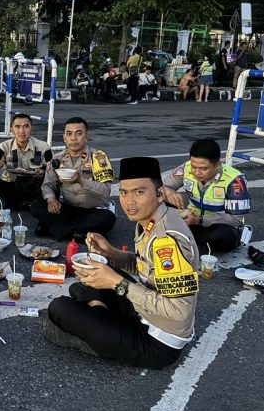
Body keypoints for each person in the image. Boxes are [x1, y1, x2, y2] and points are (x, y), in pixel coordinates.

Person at [43, 156, 199, 368]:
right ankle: (102, 321)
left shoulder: (166, 241)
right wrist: (112, 254)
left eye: (140, 192)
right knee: (83, 288)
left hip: (157, 342)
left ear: (160, 194)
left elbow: (180, 311)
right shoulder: (153, 219)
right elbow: (147, 267)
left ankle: (93, 337)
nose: (129, 201)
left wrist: (118, 283)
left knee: (59, 308)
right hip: (144, 311)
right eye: (124, 192)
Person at [30, 117, 116, 240]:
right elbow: (48, 185)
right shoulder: (57, 159)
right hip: (68, 209)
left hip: (92, 211)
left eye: (79, 133)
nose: (73, 138)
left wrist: (81, 181)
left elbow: (106, 191)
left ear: (86, 137)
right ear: (64, 137)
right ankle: (78, 234)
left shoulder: (98, 158)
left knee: (108, 218)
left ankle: (58, 229)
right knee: (37, 205)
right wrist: (51, 200)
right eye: (69, 134)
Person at [162, 138, 251, 252]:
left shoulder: (234, 180)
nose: (196, 172)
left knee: (225, 236)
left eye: (203, 169)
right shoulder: (187, 167)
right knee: (156, 202)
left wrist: (200, 220)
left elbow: (235, 219)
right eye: (194, 167)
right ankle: (186, 241)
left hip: (217, 225)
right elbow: (162, 187)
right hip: (190, 219)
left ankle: (187, 243)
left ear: (217, 165)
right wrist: (169, 192)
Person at [0, 113, 52, 210]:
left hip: (34, 184)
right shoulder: (4, 147)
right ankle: (27, 203)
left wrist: (44, 172)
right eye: (17, 127)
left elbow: (53, 170)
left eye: (26, 126)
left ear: (32, 128)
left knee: (52, 187)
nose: (22, 131)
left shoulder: (43, 147)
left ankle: (16, 202)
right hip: (13, 184)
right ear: (11, 129)